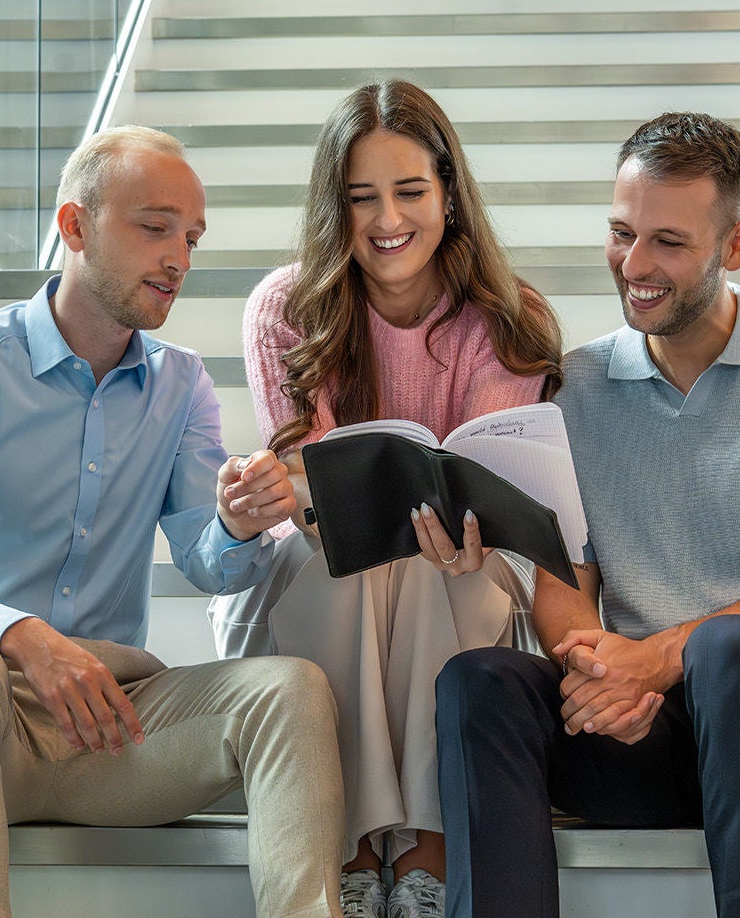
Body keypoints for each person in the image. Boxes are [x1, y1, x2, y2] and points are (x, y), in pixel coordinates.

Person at [0, 126, 347, 918]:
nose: (179, 258)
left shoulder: (181, 385)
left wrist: (238, 522)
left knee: (290, 689)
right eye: (155, 228)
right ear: (75, 226)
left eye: (191, 237)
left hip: (109, 728)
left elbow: (205, 560)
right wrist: (20, 635)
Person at [435, 111, 740, 918]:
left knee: (732, 647)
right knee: (480, 682)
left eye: (668, 243)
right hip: (642, 729)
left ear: (735, 246)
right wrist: (603, 675)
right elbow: (566, 580)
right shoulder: (574, 385)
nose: (634, 265)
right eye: (620, 232)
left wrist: (660, 658)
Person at [209, 79, 564, 918]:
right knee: (353, 551)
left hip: (468, 564)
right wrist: (276, 490)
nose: (386, 220)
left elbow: (488, 476)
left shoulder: (511, 316)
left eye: (409, 191)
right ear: (337, 207)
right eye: (361, 197)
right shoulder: (286, 307)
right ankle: (359, 842)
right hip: (327, 561)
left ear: (449, 193)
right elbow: (309, 483)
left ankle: (427, 841)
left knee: (433, 561)